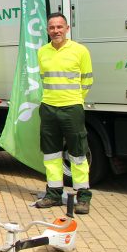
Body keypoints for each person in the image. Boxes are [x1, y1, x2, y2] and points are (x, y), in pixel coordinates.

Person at [35, 12, 94, 214]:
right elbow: (45, 78)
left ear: (67, 29)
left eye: (59, 27)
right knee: (51, 154)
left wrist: (74, 99)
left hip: (72, 108)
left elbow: (87, 81)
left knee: (78, 153)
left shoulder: (80, 51)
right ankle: (53, 194)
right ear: (48, 30)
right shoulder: (42, 52)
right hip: (48, 107)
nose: (55, 31)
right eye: (52, 27)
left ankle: (83, 197)